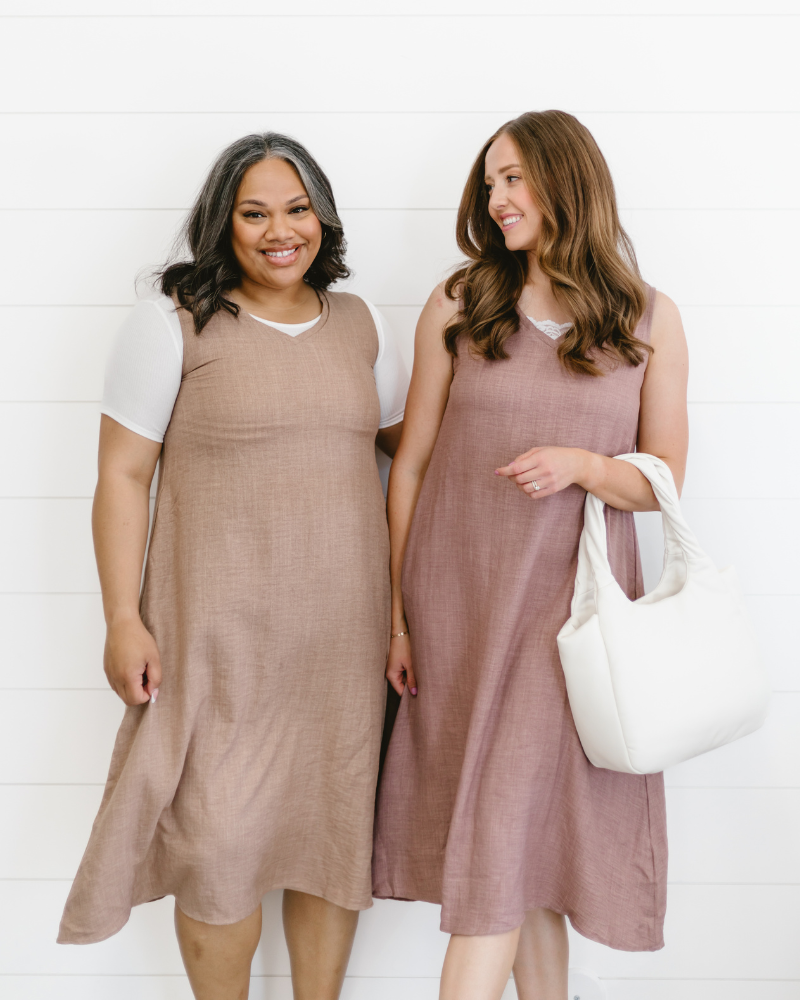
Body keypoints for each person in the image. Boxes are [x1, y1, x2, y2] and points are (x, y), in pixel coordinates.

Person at [58, 132, 408, 1000]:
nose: (278, 231)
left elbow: (412, 456)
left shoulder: (361, 324)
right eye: (254, 213)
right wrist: (121, 618)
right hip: (213, 642)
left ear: (323, 219)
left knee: (331, 838)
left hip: (342, 643)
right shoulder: (174, 319)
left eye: (297, 210)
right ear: (223, 223)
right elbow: (122, 475)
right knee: (218, 846)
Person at [373, 110, 689, 1000]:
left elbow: (664, 479)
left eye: (513, 178)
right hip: (459, 604)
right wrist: (399, 613)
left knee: (506, 839)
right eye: (490, 182)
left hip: (571, 617)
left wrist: (588, 466)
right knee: (524, 850)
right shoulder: (460, 301)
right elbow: (414, 464)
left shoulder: (648, 318)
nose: (496, 197)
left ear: (565, 182)